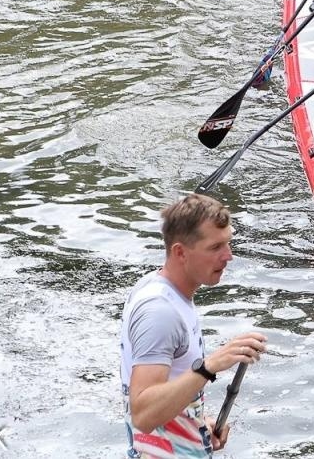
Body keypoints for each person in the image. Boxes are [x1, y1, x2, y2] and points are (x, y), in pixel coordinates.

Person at [120, 194, 267, 458]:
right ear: (180, 252)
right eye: (215, 248)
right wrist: (209, 366)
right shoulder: (159, 312)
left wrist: (194, 425)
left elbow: (168, 388)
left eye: (228, 244)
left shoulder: (166, 292)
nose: (228, 256)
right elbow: (142, 414)